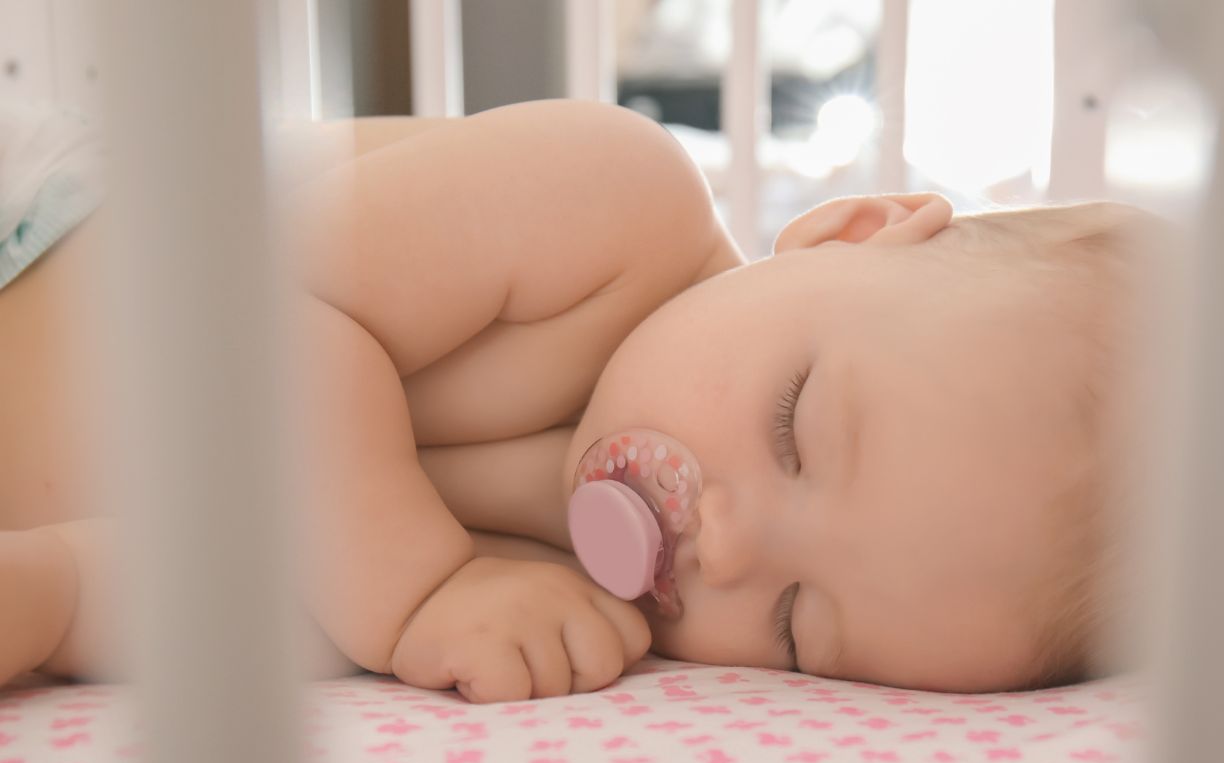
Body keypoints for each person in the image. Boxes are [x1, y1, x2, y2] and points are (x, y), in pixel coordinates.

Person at [0, 99, 1158, 701]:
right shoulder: (611, 204)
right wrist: (419, 593)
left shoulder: (564, 610)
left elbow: (277, 583)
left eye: (800, 627)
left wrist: (55, 593)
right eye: (795, 426)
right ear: (844, 231)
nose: (731, 552)